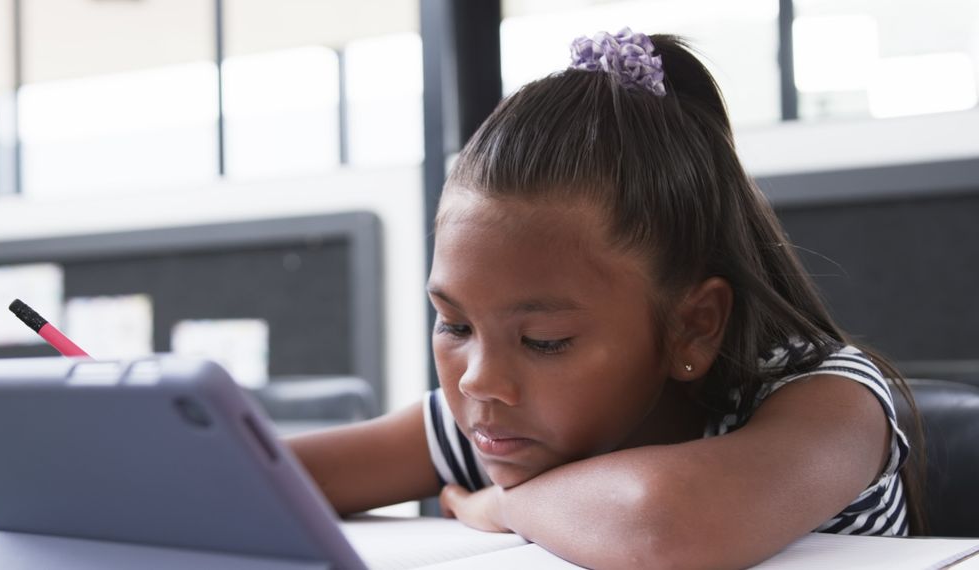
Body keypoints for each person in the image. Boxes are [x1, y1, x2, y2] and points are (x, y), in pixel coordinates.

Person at [287, 29, 924, 569]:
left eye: (545, 341)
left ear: (693, 327)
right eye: (454, 325)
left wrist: (499, 506)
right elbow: (243, 483)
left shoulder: (828, 396)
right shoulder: (498, 425)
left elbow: (664, 522)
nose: (481, 382)